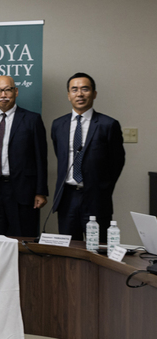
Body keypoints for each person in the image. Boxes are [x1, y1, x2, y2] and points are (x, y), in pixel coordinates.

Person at [50, 73, 125, 240]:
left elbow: (117, 161)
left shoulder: (108, 124)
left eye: (85, 89)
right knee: (69, 251)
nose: (80, 94)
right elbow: (61, 156)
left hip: (96, 198)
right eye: (74, 90)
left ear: (94, 93)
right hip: (67, 198)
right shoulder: (58, 125)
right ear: (68, 95)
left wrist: (103, 187)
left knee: (98, 250)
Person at [0, 76, 48, 238]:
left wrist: (41, 192)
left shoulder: (32, 120)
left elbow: (41, 158)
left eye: (7, 89)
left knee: (24, 239)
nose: (3, 95)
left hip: (23, 192)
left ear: (16, 91)